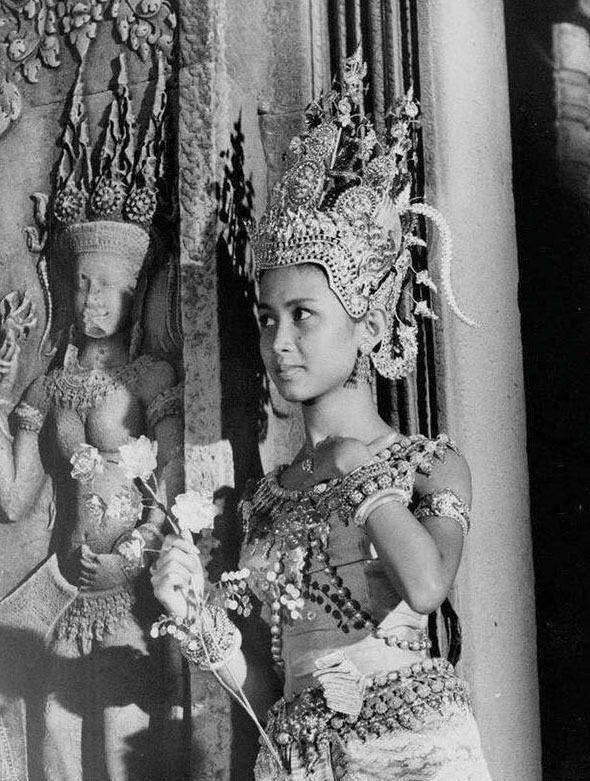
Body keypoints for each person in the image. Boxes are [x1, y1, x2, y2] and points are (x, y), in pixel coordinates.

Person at [151, 52, 492, 780]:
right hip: (298, 760)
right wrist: (196, 614)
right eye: (267, 318)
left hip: (411, 751)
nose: (278, 343)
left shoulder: (428, 465)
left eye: (303, 315)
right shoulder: (267, 498)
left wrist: (355, 469)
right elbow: (269, 687)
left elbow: (426, 587)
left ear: (368, 323)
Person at [0, 57, 182, 780]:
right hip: (71, 594)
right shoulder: (52, 386)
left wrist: (132, 555)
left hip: (131, 591)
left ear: (136, 291)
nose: (90, 299)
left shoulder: (150, 379)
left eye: (106, 285)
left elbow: (175, 486)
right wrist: (2, 400)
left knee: (121, 744)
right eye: (81, 284)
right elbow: (14, 498)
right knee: (53, 742)